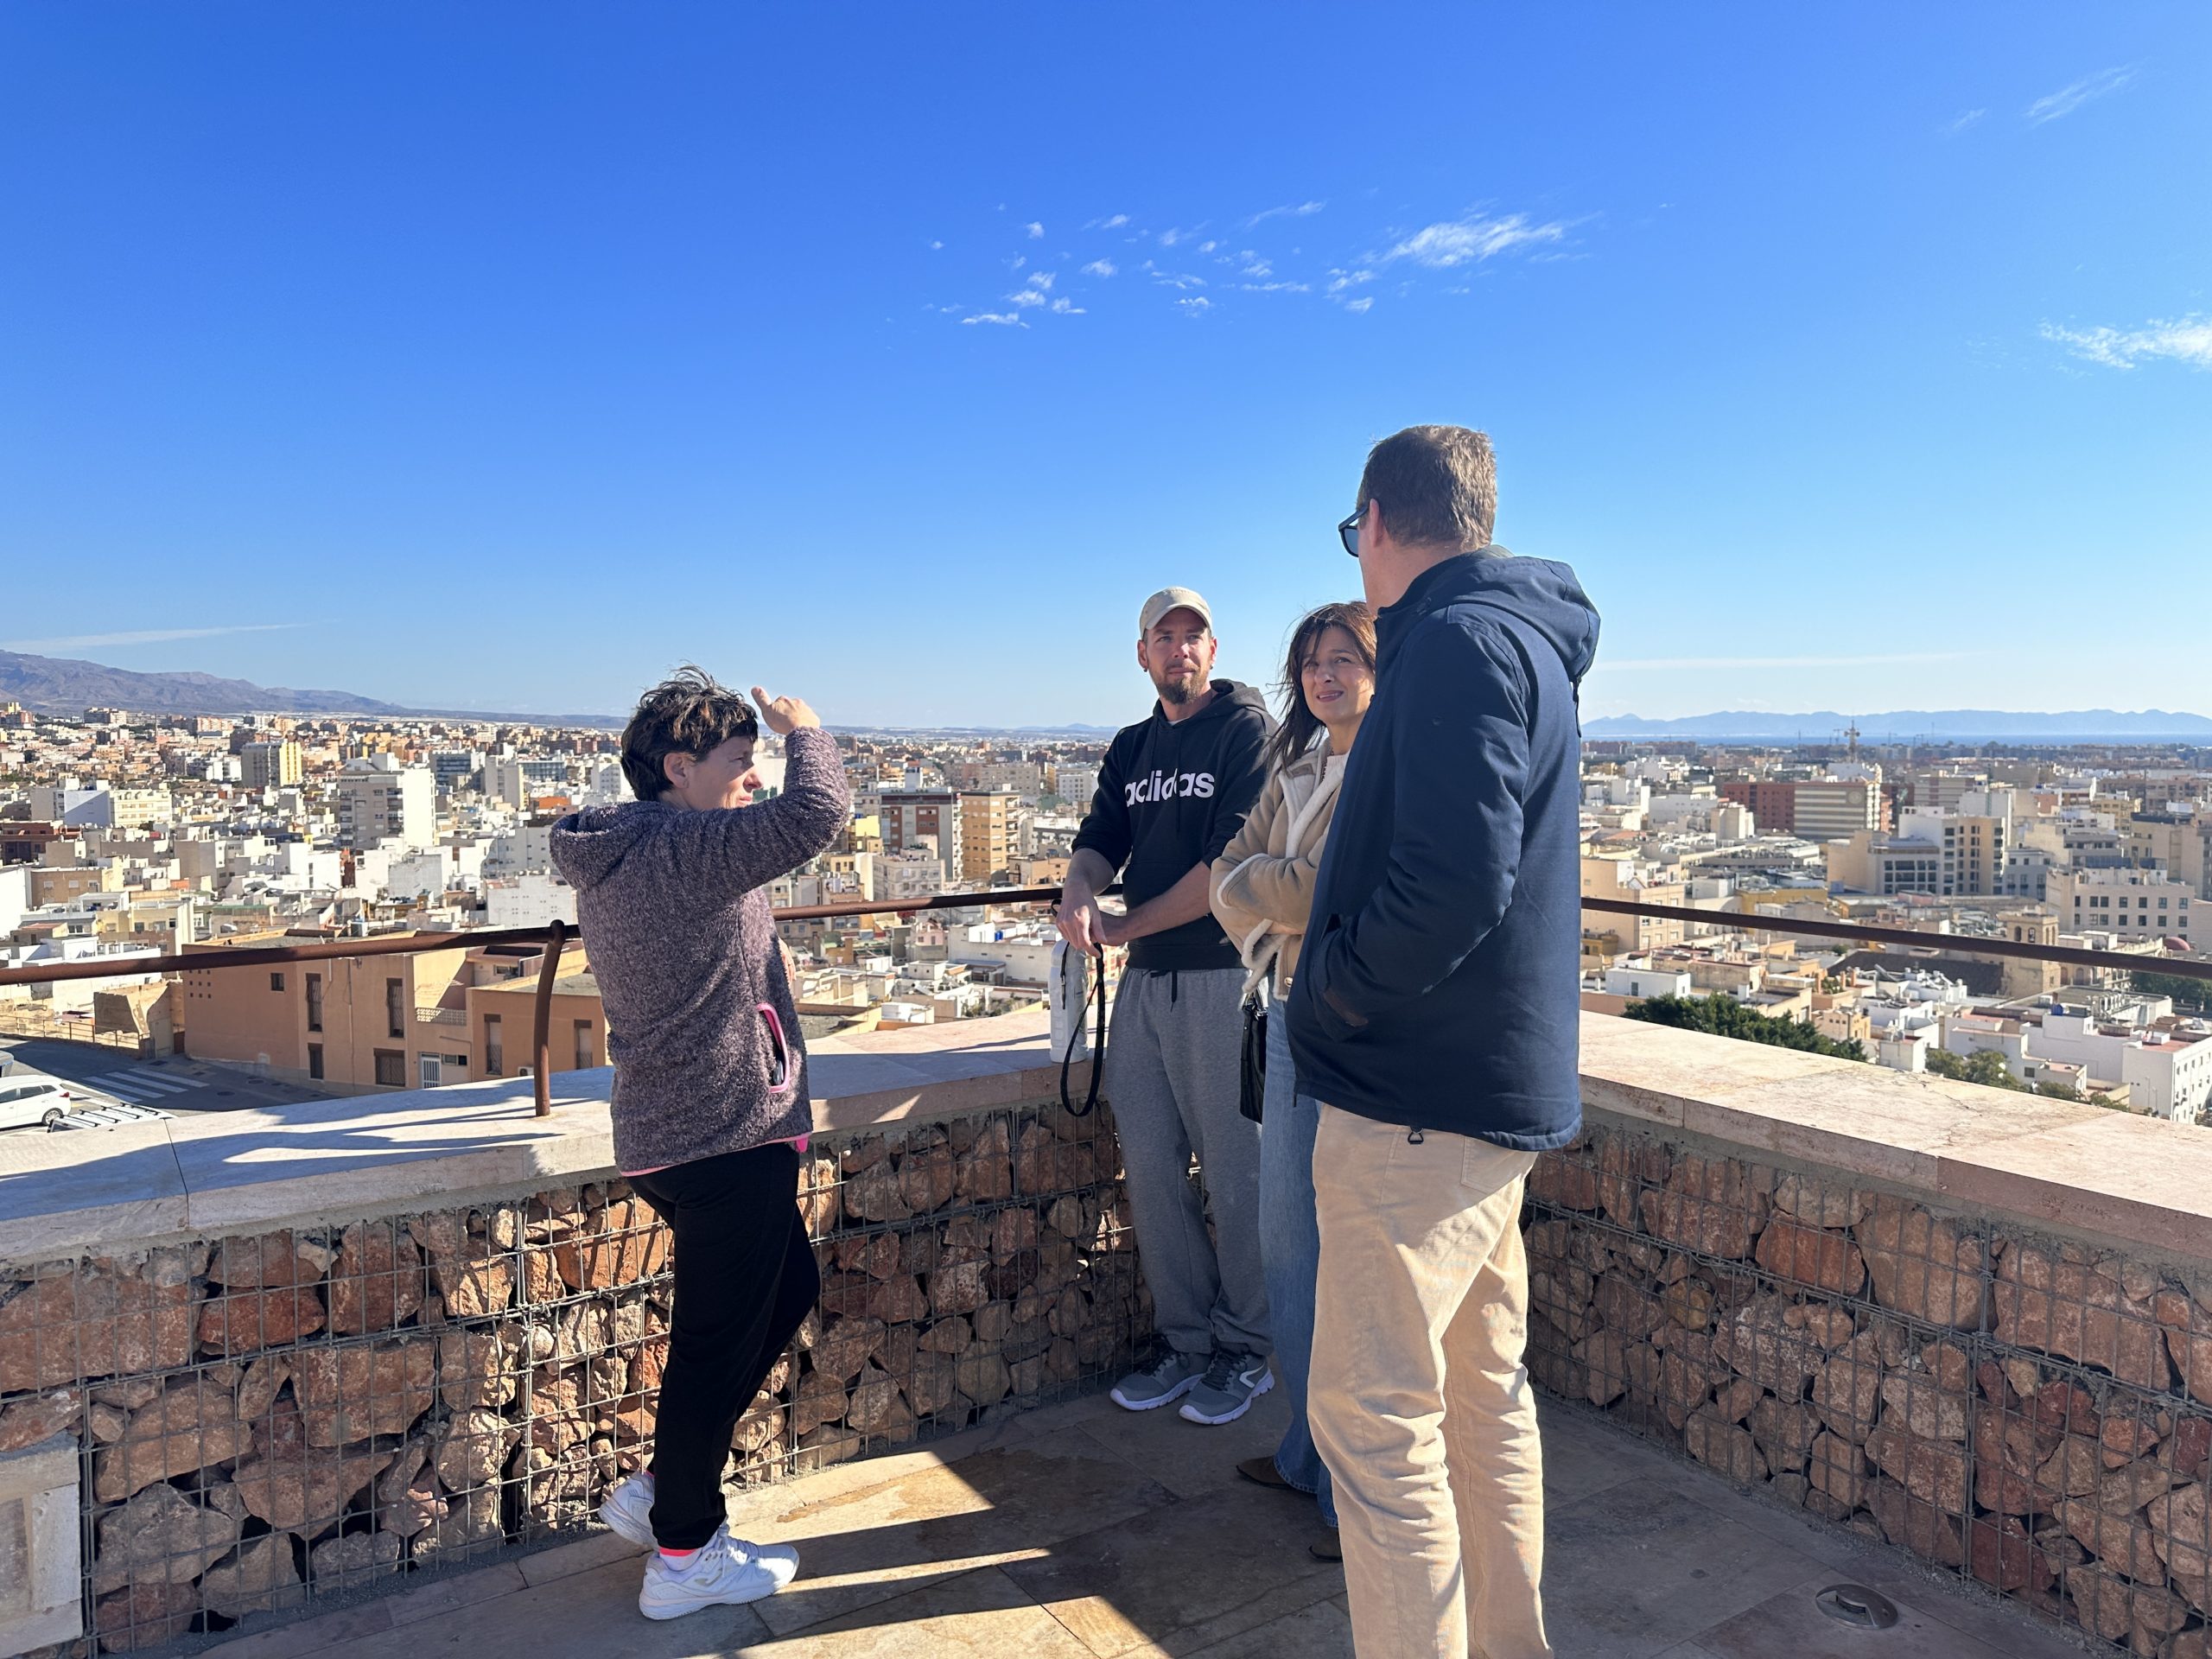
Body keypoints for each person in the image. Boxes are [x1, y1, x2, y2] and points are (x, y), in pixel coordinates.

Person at [1287, 427, 1599, 1659]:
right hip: (1482, 1097)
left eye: (1352, 534)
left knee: (1374, 1425)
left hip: (1412, 1101)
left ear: (1374, 520)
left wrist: (1330, 994)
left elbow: (1455, 883)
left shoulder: (1455, 643)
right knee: (1480, 1403)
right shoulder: (1523, 639)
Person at [550, 667, 850, 1622]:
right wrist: (804, 730)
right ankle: (685, 1553)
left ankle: (660, 1496)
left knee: (785, 1290)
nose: (752, 776)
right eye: (737, 759)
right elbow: (820, 812)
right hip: (726, 1133)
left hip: (669, 1133)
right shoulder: (690, 848)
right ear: (679, 769)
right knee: (711, 1350)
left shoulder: (623, 847)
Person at [1057, 587, 1275, 1425]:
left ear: (1212, 652)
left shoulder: (1244, 732)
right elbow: (1099, 840)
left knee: (1237, 1173)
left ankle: (1246, 1349)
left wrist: (1122, 924)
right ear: (1142, 653)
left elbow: (1227, 867)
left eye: (1194, 636)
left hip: (1225, 977)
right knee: (1150, 1172)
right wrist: (1079, 892)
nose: (1179, 648)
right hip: (1147, 984)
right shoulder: (1132, 746)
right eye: (1164, 636)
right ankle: (1186, 1344)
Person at [1208, 600, 1375, 1556]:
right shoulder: (1297, 769)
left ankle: (1352, 1495)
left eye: (1345, 657)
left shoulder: (1386, 773)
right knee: (1285, 1243)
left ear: (1379, 669)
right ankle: (1307, 1452)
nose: (1325, 674)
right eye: (1312, 661)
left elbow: (1327, 891)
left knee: (1339, 1255)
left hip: (1343, 1030)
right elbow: (1229, 872)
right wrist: (1272, 894)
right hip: (1282, 1012)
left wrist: (1264, 891)